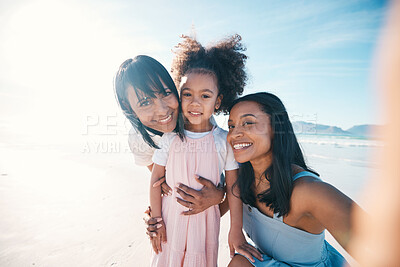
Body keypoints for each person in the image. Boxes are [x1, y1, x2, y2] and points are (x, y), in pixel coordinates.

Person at [226, 92, 361, 266]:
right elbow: (221, 199)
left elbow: (382, 246)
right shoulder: (240, 179)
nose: (235, 133)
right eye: (231, 126)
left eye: (248, 123)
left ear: (276, 128)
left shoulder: (309, 192)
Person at [149, 34, 247, 266]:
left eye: (205, 96)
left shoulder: (223, 140)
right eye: (187, 94)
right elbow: (155, 179)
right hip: (170, 223)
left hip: (204, 227)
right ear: (178, 95)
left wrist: (236, 229)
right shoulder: (171, 136)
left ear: (218, 101)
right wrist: (156, 220)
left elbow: (234, 187)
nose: (195, 103)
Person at [114, 55, 226, 235]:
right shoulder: (139, 139)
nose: (162, 110)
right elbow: (161, 182)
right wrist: (155, 218)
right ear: (129, 108)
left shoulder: (197, 119)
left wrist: (219, 197)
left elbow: (230, 179)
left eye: (166, 93)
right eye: (145, 102)